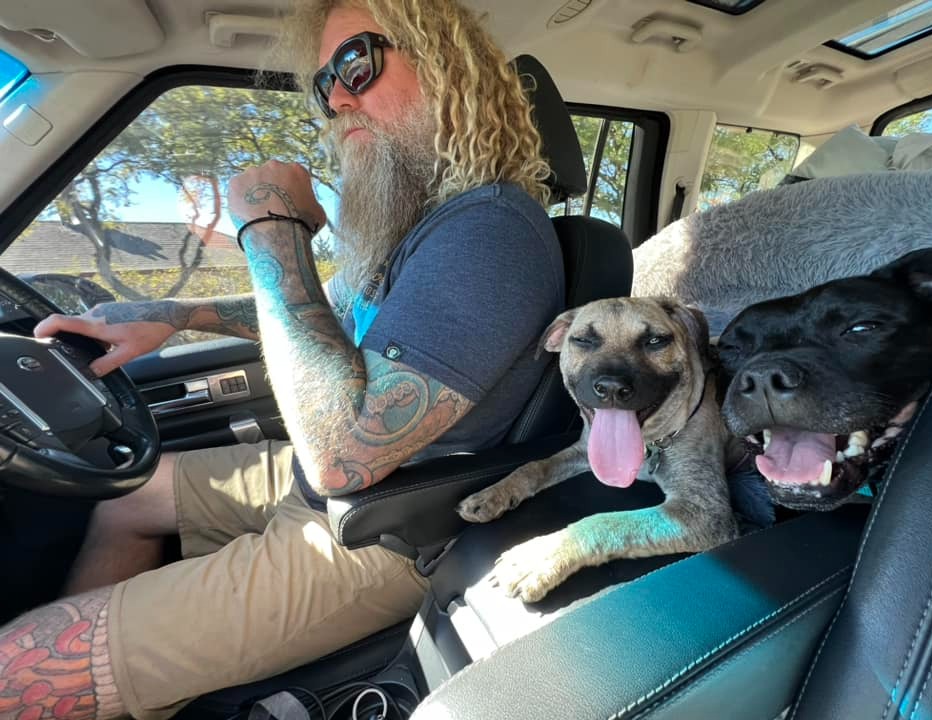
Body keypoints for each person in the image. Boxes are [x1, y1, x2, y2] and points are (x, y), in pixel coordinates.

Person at [0, 1, 564, 718]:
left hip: (386, 528)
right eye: (323, 80)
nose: (335, 96)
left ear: (450, 69)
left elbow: (342, 457)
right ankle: (98, 682)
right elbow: (321, 310)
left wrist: (270, 225)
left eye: (357, 61)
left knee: (20, 668)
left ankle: (76, 672)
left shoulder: (491, 230)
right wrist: (173, 317)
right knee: (124, 497)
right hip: (320, 487)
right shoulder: (428, 224)